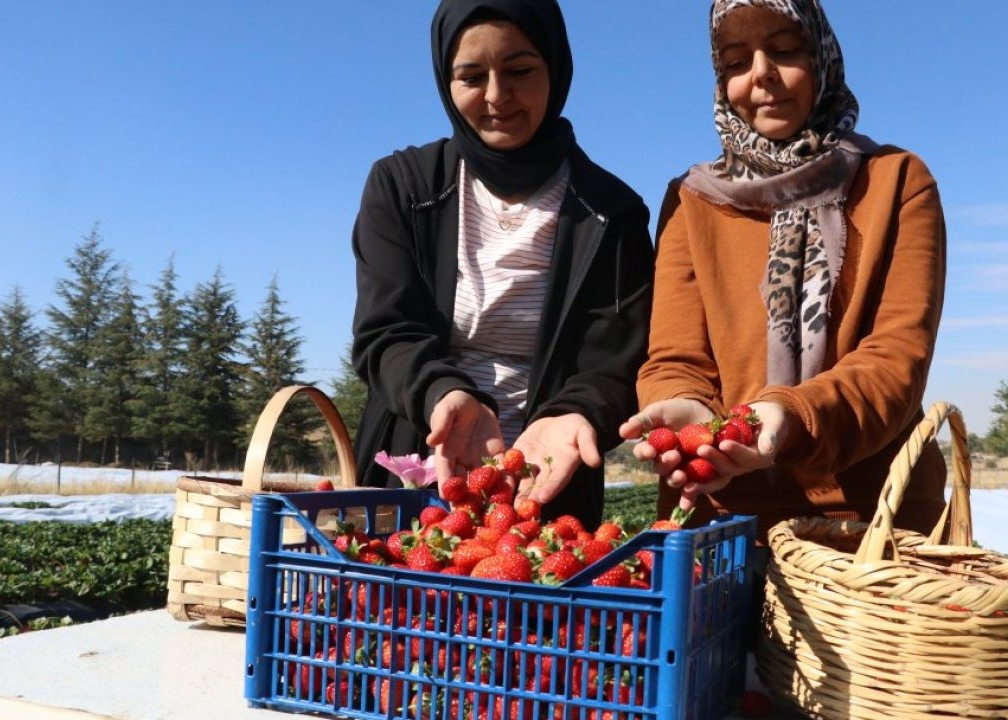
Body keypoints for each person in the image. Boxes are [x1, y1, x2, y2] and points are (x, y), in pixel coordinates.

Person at [619, 0, 948, 541]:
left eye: (785, 50)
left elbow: (897, 361)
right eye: (734, 62)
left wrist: (791, 418)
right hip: (721, 518)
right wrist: (688, 406)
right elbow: (674, 355)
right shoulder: (692, 199)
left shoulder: (897, 182)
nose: (762, 75)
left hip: (872, 522)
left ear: (822, 57)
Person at [350, 0, 654, 531]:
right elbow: (385, 332)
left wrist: (575, 413)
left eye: (519, 71)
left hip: (549, 487)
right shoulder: (402, 187)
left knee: (531, 611)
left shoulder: (610, 212)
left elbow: (615, 361)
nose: (496, 96)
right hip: (414, 472)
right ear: (446, 81)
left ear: (555, 70)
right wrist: (444, 395)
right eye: (471, 75)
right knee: (401, 607)